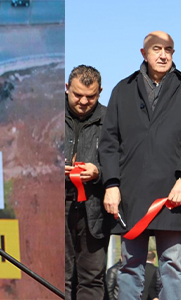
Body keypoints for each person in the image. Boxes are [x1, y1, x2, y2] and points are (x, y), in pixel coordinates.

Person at [99, 31, 181, 300]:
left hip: (172, 195)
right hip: (131, 193)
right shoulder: (123, 90)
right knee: (130, 265)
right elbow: (109, 141)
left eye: (168, 50)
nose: (163, 55)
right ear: (143, 53)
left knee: (171, 265)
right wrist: (111, 184)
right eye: (157, 49)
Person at [64, 65, 109, 300]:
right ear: (66, 88)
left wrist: (99, 171)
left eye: (91, 97)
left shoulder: (112, 119)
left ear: (100, 92)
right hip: (56, 209)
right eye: (77, 94)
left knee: (92, 278)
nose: (83, 101)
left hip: (95, 209)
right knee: (58, 277)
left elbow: (123, 161)